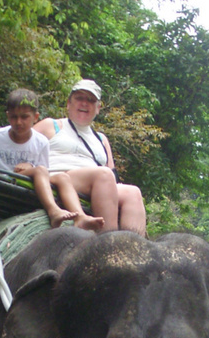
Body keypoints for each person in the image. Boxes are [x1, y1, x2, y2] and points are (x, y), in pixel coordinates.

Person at [0, 89, 104, 231]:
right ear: (8, 116)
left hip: (29, 181)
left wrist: (30, 167)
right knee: (40, 170)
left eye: (24, 117)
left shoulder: (41, 141)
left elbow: (44, 169)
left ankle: (80, 216)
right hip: (5, 179)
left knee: (62, 177)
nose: (19, 122)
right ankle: (53, 211)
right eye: (14, 117)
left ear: (35, 117)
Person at [34, 79, 146, 235]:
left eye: (90, 100)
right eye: (79, 98)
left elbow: (113, 176)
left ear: (98, 108)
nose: (84, 104)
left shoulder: (101, 139)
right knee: (103, 175)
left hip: (100, 184)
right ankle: (107, 243)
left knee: (132, 192)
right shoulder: (51, 125)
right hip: (60, 178)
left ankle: (134, 249)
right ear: (68, 103)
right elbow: (22, 144)